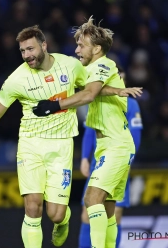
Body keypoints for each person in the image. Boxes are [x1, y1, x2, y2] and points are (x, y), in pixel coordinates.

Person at [32, 17, 142, 248]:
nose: (76, 49)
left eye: (82, 45)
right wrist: (119, 90)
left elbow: (90, 94)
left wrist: (55, 105)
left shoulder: (103, 65)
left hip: (116, 146)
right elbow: (98, 91)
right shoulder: (95, 71)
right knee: (109, 210)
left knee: (91, 200)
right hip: (108, 146)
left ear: (97, 48)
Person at [78, 68, 143, 248]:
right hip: (98, 164)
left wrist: (128, 161)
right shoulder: (97, 103)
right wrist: (84, 158)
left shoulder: (131, 105)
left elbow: (135, 136)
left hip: (118, 163)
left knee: (114, 214)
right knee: (87, 214)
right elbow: (90, 132)